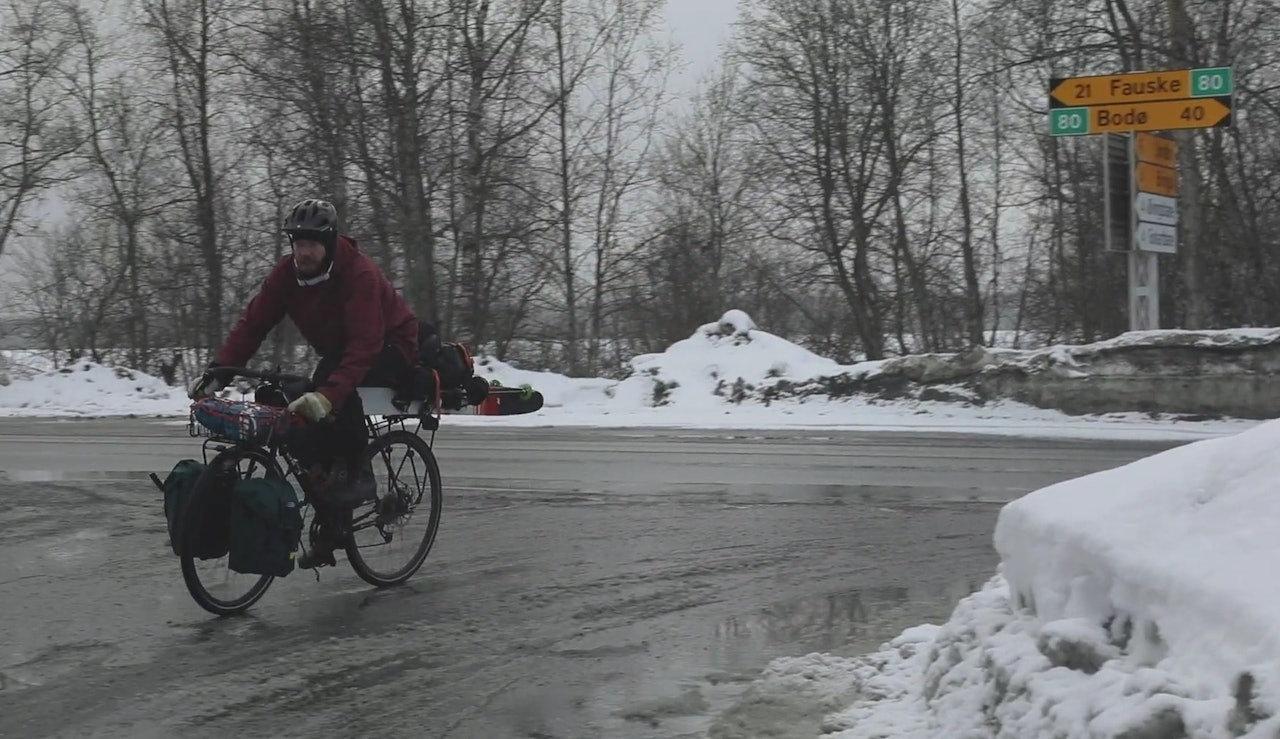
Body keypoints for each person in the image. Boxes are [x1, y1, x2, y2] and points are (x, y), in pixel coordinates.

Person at [188, 198, 421, 568]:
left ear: (329, 243)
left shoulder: (357, 274)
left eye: (311, 243)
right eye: (297, 242)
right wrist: (221, 370)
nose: (303, 251)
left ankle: (359, 474)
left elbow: (363, 347)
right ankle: (331, 508)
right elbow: (254, 324)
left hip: (391, 344)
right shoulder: (287, 276)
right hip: (340, 350)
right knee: (294, 406)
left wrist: (328, 396)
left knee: (331, 388)